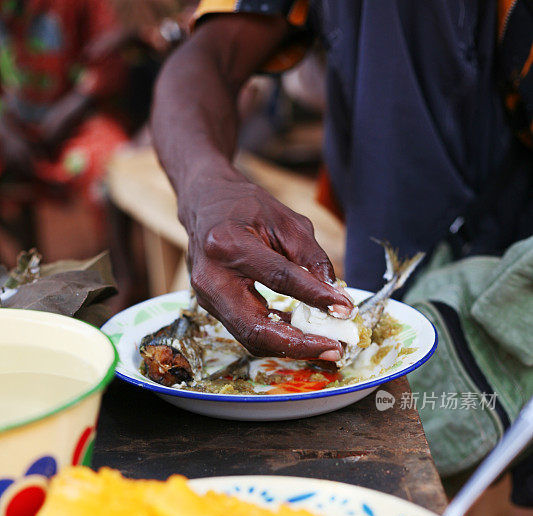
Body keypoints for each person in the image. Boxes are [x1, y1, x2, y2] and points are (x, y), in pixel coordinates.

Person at [151, 0, 533, 362]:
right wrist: (205, 187)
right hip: (385, 245)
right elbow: (208, 58)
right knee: (374, 376)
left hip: (514, 253)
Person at [0, 0, 129, 213]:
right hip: (9, 130)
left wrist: (76, 102)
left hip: (76, 123)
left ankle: (118, 247)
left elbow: (108, 56)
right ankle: (24, 244)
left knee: (117, 167)